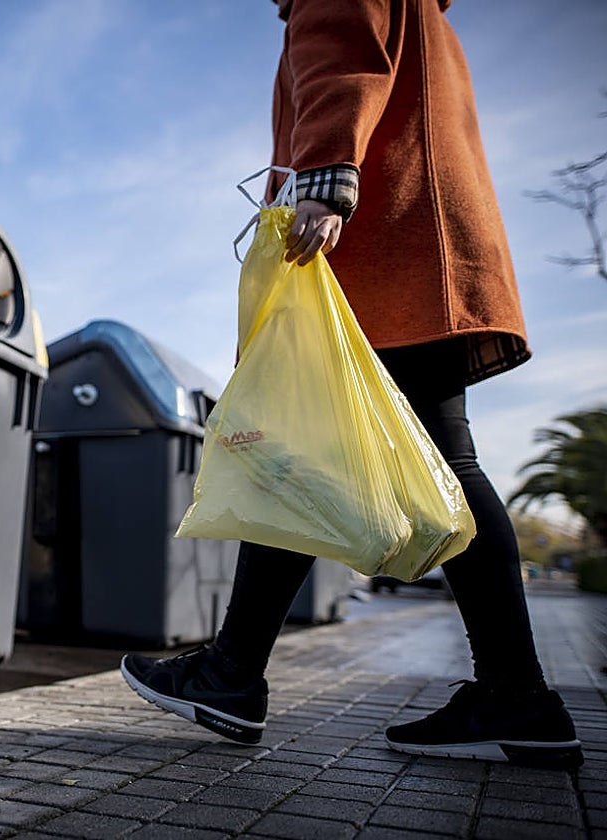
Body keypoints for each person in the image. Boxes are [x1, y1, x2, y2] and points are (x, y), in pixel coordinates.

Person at [120, 0, 583, 768]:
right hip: (421, 236)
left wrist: (327, 176)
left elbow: (340, 50)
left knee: (388, 459)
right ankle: (241, 674)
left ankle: (511, 696)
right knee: (328, 455)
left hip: (387, 243)